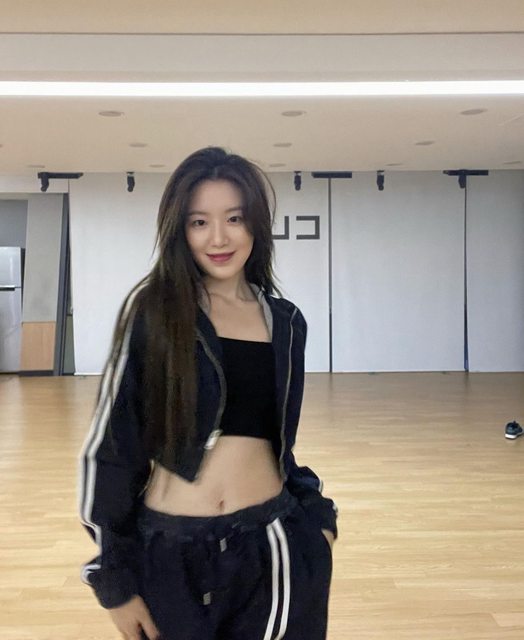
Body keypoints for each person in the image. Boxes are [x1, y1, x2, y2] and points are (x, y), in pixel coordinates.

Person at [78, 147, 338, 640]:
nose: (218, 237)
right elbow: (111, 449)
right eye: (199, 222)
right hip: (170, 555)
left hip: (272, 545)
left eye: (234, 218)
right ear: (180, 230)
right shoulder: (154, 312)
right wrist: (113, 579)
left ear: (256, 225)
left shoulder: (285, 322)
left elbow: (279, 443)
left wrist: (318, 523)